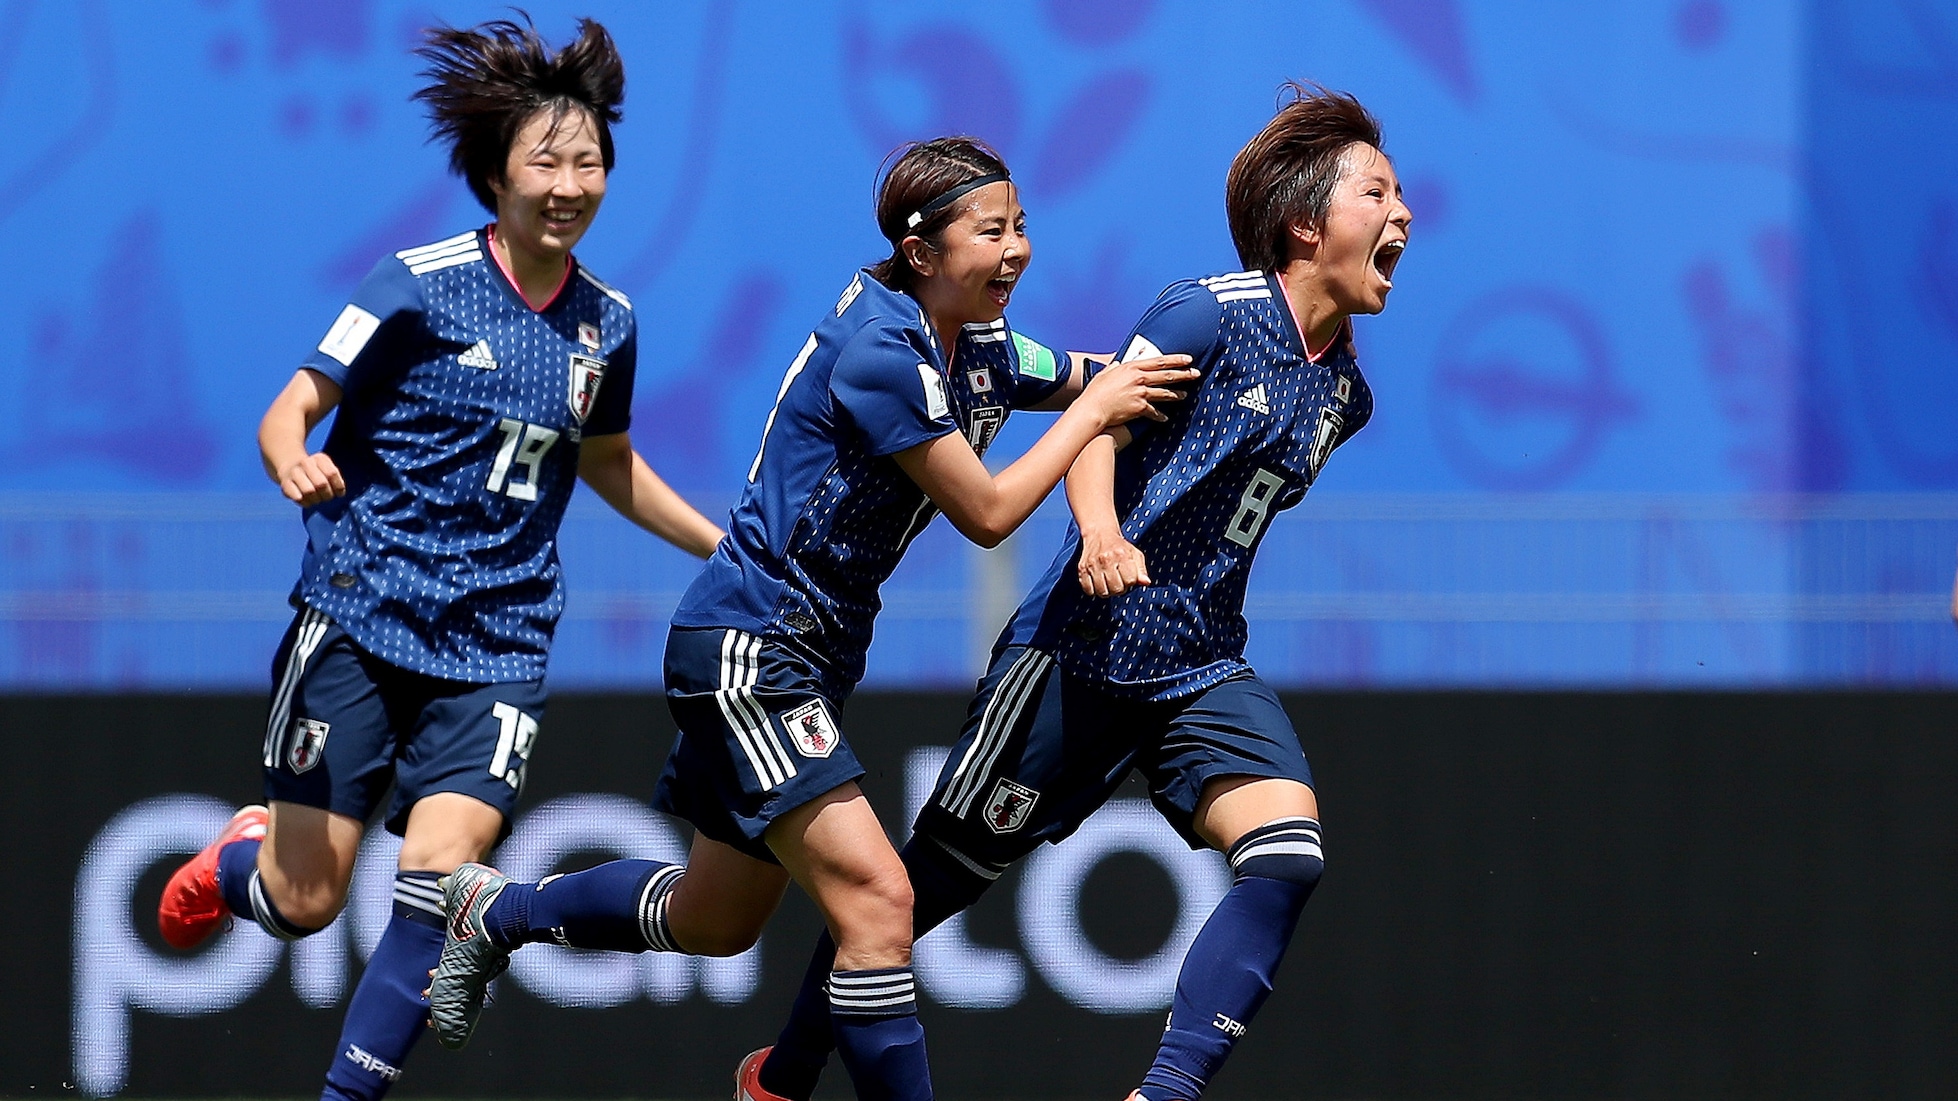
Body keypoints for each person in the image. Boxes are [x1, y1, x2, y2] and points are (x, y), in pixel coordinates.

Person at [427, 136, 1198, 1101]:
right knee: (881, 905)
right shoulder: (882, 349)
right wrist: (1093, 416)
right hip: (751, 649)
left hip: (800, 656)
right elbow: (989, 511)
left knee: (716, 921)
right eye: (991, 230)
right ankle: (780, 1089)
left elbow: (1086, 375)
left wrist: (1185, 370)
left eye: (1022, 225)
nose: (1017, 250)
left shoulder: (984, 346)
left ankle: (496, 914)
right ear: (922, 254)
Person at [737, 83, 1410, 1101]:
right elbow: (1100, 419)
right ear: (1305, 224)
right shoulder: (1206, 312)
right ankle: (780, 1080)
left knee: (1288, 850)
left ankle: (1165, 1091)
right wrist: (1098, 531)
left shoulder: (1344, 397)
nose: (1402, 214)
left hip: (1197, 666)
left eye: (1401, 196)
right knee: (908, 902)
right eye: (1377, 193)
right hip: (1076, 653)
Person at [153, 18, 724, 1101]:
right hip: (364, 618)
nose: (569, 183)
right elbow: (296, 407)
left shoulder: (609, 324)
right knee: (304, 902)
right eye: (545, 161)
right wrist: (293, 463)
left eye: (588, 160)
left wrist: (728, 548)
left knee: (441, 883)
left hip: (499, 644)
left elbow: (609, 465)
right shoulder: (415, 282)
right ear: (495, 173)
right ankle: (237, 856)